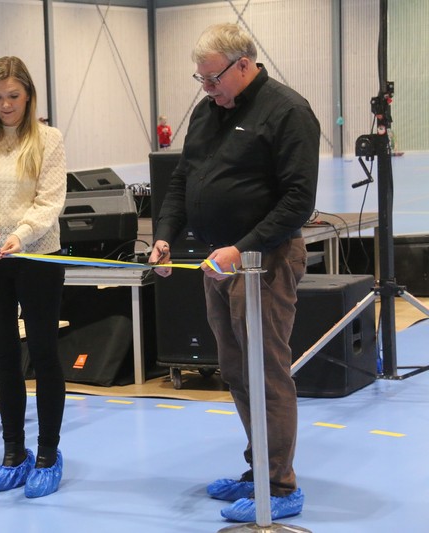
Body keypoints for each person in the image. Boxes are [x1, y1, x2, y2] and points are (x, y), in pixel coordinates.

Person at [149, 23, 319, 522]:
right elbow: (182, 181)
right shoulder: (208, 111)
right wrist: (165, 235)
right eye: (200, 79)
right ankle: (259, 468)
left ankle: (280, 487)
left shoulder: (288, 111)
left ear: (243, 65)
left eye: (213, 78)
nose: (206, 88)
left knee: (265, 370)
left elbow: (298, 200)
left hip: (264, 261)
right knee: (235, 369)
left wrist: (241, 250)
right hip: (219, 263)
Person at [0, 56, 68, 498]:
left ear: (28, 95)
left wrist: (20, 236)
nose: (6, 105)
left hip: (37, 256)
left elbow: (50, 201)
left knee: (43, 352)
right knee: (4, 356)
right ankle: (13, 451)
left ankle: (48, 453)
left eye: (14, 96)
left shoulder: (48, 139)